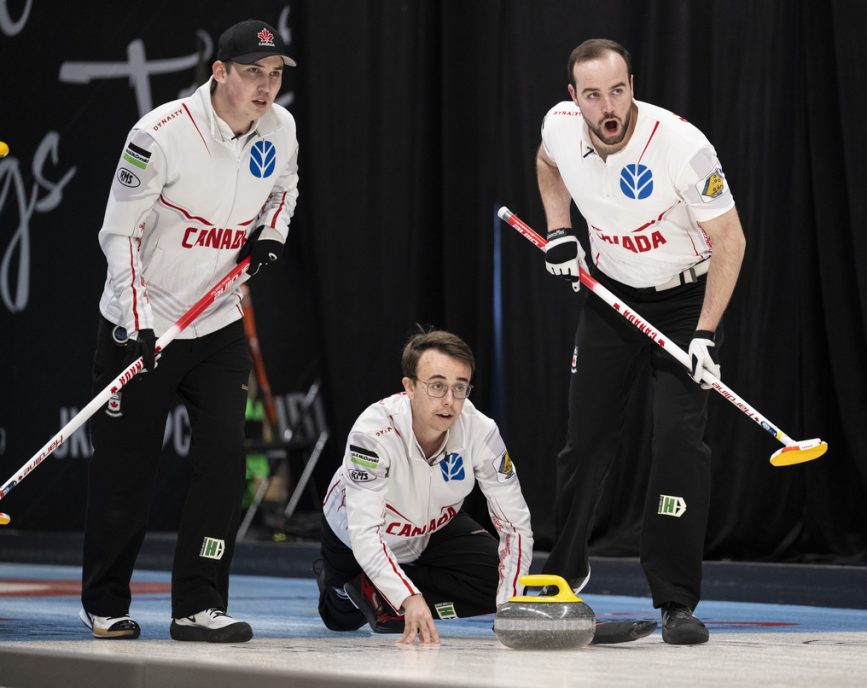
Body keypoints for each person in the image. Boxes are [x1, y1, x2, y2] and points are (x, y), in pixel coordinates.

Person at [80, 19, 299, 643]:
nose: (266, 87)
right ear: (219, 73)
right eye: (253, 73)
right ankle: (105, 602)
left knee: (225, 463)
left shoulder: (279, 129)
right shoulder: (158, 136)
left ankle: (198, 604)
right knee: (127, 470)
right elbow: (117, 234)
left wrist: (271, 236)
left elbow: (284, 187)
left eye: (276, 74)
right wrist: (140, 323)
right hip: (141, 324)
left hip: (216, 320)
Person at [534, 39, 746, 645]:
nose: (609, 106)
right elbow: (548, 163)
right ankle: (564, 580)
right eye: (593, 94)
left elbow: (731, 244)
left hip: (684, 304)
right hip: (610, 298)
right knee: (586, 442)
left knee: (679, 441)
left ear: (633, 86)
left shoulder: (683, 147)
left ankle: (676, 601)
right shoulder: (560, 126)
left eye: (619, 90)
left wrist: (705, 334)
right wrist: (558, 231)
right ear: (573, 98)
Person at [317, 329, 533, 645]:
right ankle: (352, 588)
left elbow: (515, 524)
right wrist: (408, 599)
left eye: (460, 388)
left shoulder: (481, 431)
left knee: (496, 584)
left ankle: (383, 594)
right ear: (410, 387)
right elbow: (364, 532)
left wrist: (511, 602)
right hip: (359, 534)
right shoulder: (372, 434)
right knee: (340, 621)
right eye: (437, 386)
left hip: (434, 525)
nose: (449, 401)